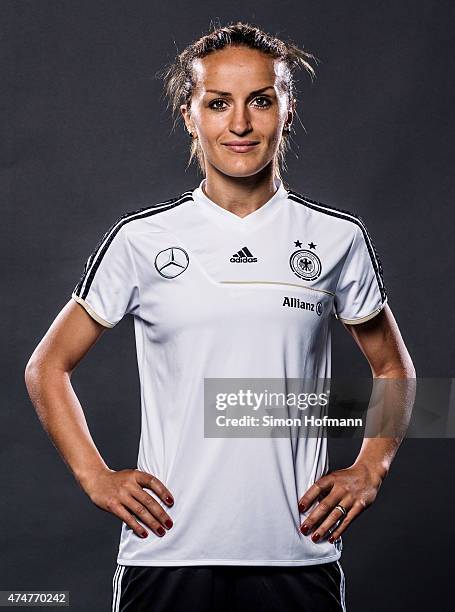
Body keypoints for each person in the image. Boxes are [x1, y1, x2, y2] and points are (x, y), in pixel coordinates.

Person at [25, 21, 415, 612]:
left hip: (296, 552)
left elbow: (393, 369)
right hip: (167, 553)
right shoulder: (141, 241)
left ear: (285, 110)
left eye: (260, 101)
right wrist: (96, 477)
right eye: (218, 103)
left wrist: (371, 467)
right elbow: (46, 367)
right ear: (191, 115)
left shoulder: (336, 239)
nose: (239, 124)